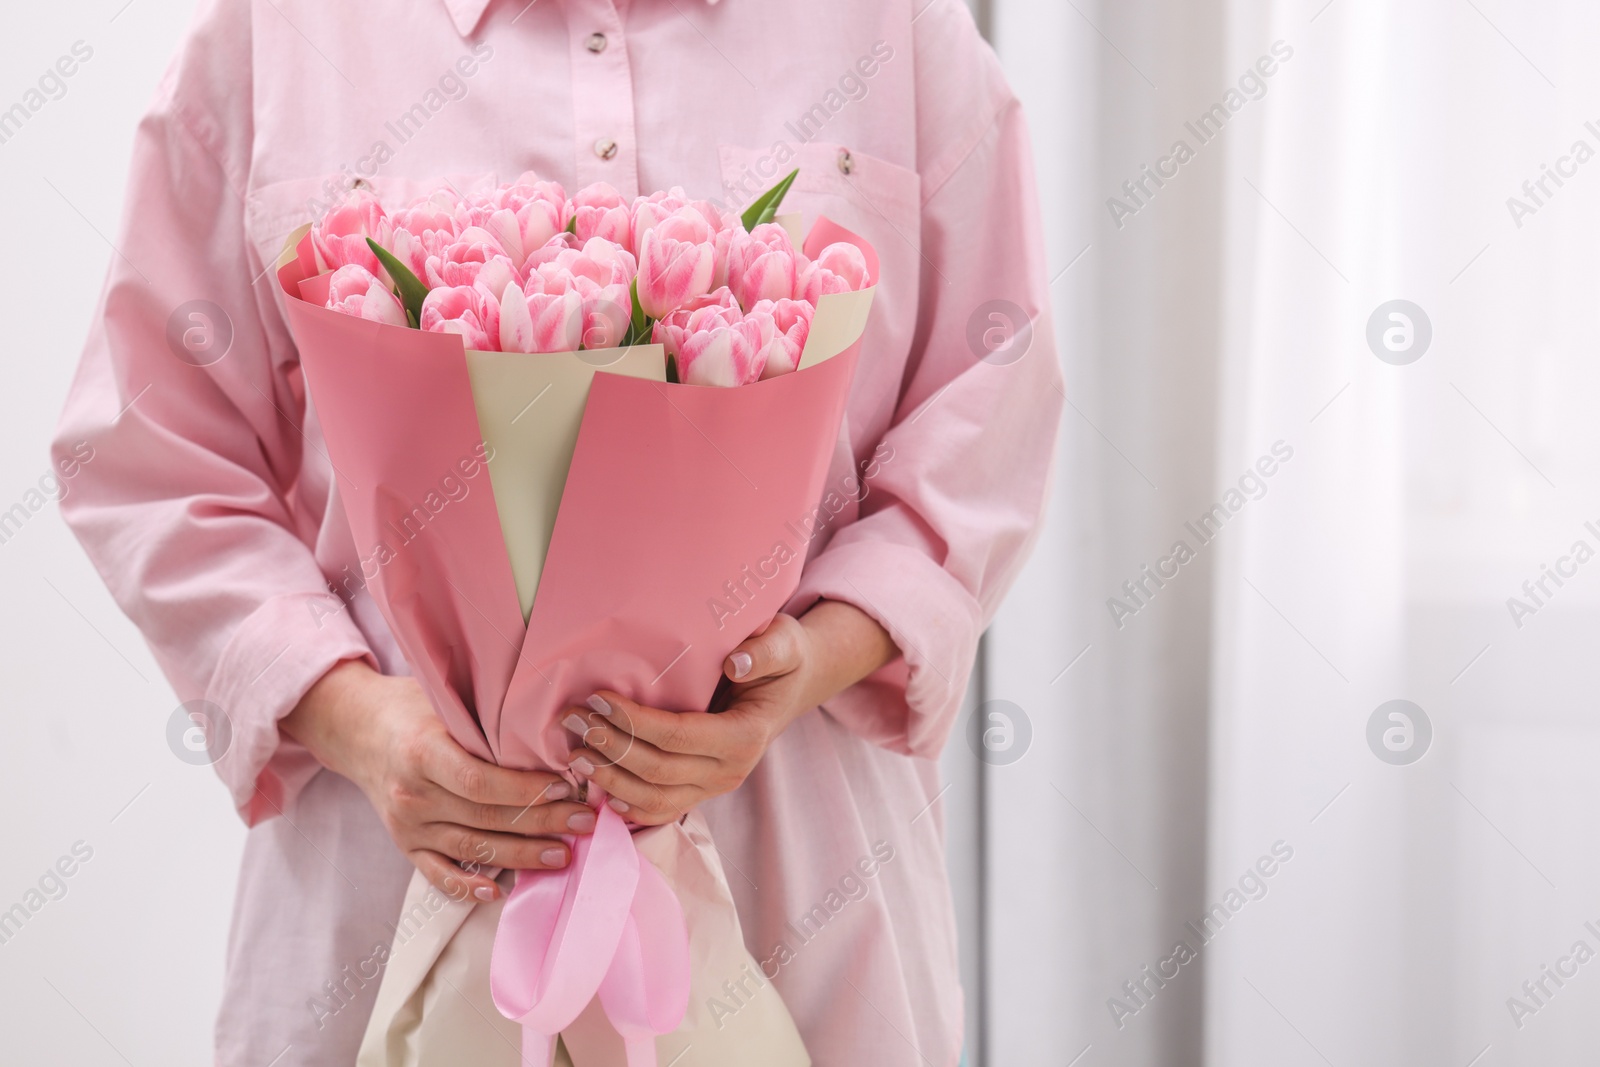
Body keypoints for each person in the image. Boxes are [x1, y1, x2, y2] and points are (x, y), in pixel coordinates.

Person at [52, 0, 1062, 1063]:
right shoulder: (273, 32)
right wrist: (357, 719)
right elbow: (148, 452)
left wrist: (811, 657)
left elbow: (987, 409)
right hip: (382, 892)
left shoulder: (895, 25)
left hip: (806, 895)